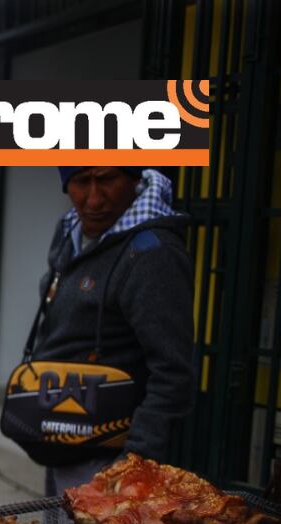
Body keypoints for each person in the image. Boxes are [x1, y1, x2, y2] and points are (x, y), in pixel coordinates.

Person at [16, 166, 194, 496]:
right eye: (81, 182)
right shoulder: (70, 232)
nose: (94, 198)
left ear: (134, 179)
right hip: (67, 445)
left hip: (112, 465)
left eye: (108, 179)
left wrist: (131, 467)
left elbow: (173, 373)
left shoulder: (153, 254)